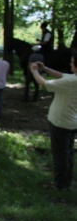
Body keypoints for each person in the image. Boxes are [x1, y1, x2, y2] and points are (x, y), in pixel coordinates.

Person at [29, 51, 77, 191]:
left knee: (60, 155)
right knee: (68, 154)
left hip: (60, 121)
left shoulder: (71, 82)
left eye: (72, 62)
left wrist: (34, 71)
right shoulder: (72, 79)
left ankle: (60, 185)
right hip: (72, 121)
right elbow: (63, 76)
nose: (70, 64)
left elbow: (44, 84)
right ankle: (66, 182)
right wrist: (45, 68)